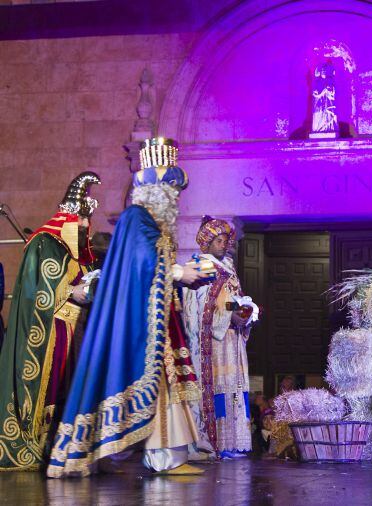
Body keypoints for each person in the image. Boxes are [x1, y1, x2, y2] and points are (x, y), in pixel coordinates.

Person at [47, 138, 209, 477]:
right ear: (157, 191)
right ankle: (160, 458)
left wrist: (182, 276)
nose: (176, 199)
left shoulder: (153, 224)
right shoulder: (137, 218)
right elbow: (141, 262)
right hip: (140, 321)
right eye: (172, 191)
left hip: (158, 318)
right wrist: (178, 272)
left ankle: (168, 456)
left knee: (165, 384)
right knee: (150, 380)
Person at [0, 172, 101, 471]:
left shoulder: (81, 253)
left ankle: (70, 444)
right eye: (81, 218)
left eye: (88, 219)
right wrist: (71, 291)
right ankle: (42, 442)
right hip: (50, 332)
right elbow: (34, 291)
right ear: (68, 218)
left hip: (78, 332)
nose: (86, 225)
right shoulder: (43, 244)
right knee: (52, 387)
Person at [183, 217, 257, 459]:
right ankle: (215, 443)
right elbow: (203, 303)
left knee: (235, 387)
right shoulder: (199, 265)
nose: (223, 245)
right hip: (214, 340)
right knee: (218, 388)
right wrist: (230, 312)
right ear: (207, 243)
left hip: (232, 338)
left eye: (225, 241)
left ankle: (233, 442)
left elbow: (233, 298)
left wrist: (245, 312)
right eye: (218, 241)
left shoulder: (228, 267)